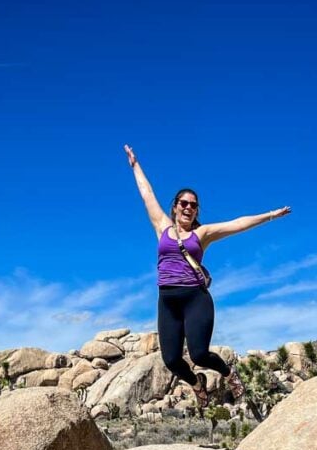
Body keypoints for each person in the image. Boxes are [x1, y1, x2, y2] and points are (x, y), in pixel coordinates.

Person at [124, 144, 291, 410]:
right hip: (167, 300)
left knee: (200, 353)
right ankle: (196, 383)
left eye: (194, 205)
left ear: (196, 211)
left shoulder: (202, 235)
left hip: (195, 298)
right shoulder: (162, 227)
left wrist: (271, 215)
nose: (189, 208)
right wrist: (135, 165)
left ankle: (228, 373)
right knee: (171, 360)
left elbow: (237, 224)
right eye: (184, 203)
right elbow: (147, 194)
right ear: (175, 207)